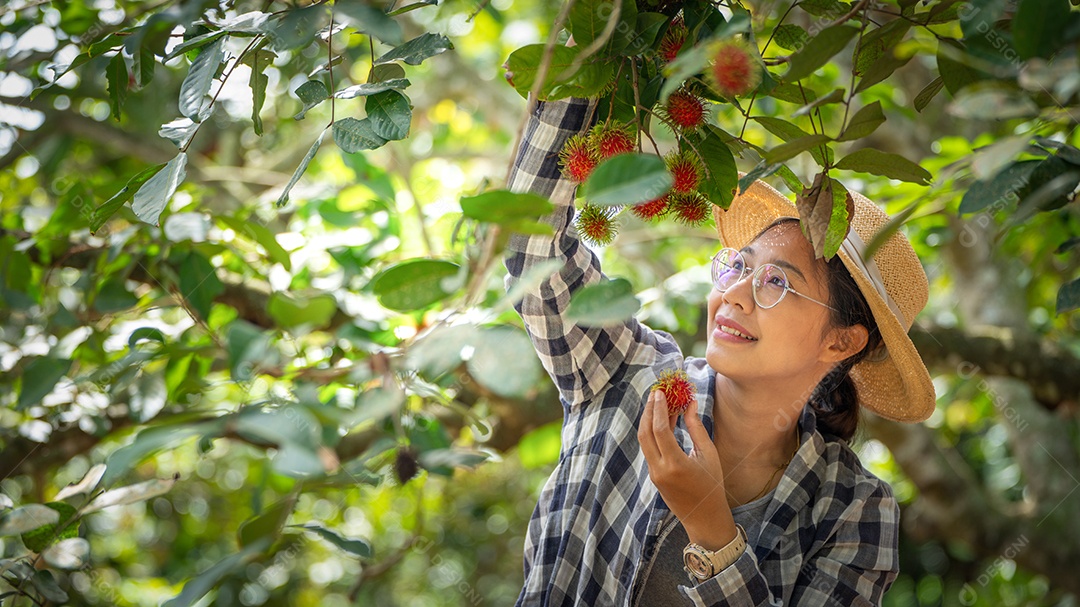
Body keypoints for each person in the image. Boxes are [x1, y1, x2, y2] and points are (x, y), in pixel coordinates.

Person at [503, 94, 935, 606]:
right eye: (737, 265)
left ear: (840, 340)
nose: (732, 294)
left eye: (776, 281)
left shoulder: (856, 509)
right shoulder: (627, 374)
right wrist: (589, 62)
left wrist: (713, 530)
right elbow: (533, 248)